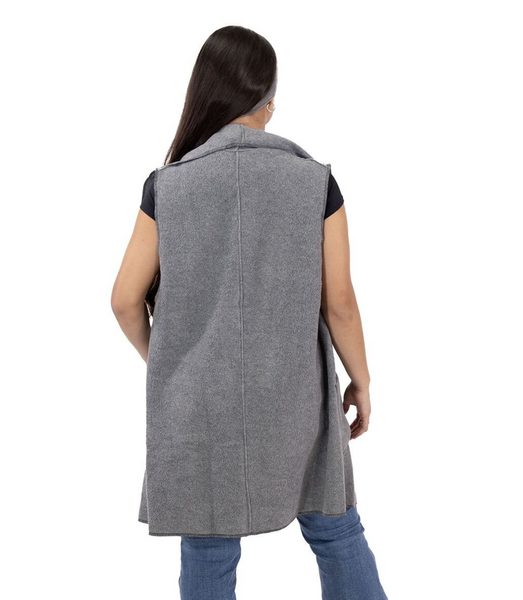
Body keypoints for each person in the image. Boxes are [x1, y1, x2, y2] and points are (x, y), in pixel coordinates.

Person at [111, 25, 388, 600]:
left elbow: (124, 299)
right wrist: (360, 381)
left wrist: (167, 360)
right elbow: (339, 302)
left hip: (200, 401)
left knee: (208, 550)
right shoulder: (315, 182)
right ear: (269, 100)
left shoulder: (168, 186)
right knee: (335, 529)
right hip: (297, 397)